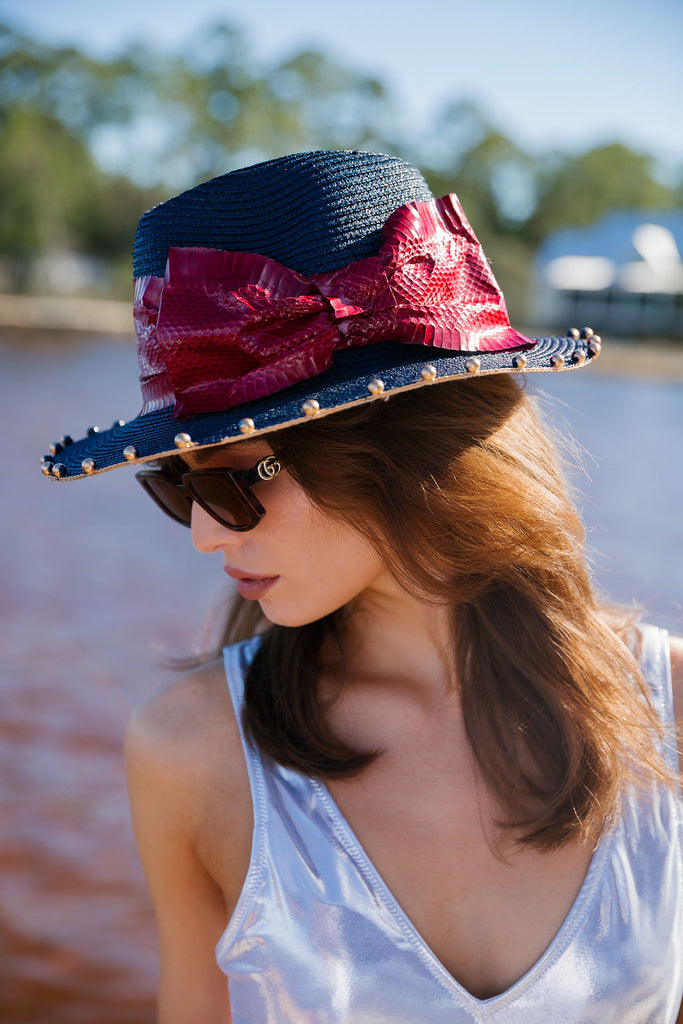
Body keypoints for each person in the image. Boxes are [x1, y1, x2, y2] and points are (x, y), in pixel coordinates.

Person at [43, 150, 683, 1022]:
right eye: (176, 483)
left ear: (401, 448)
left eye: (233, 480)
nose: (200, 532)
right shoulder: (190, 753)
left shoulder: (670, 707)